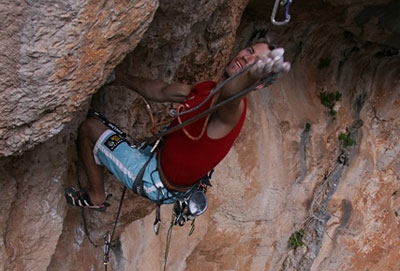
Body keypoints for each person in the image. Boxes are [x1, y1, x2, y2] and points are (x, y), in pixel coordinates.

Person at [65, 39, 290, 213]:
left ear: (258, 85)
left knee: (90, 129)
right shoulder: (205, 89)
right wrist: (119, 77)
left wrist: (251, 75)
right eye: (249, 51)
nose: (247, 58)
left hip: (157, 181)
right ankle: (106, 156)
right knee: (108, 129)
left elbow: (231, 94)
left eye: (256, 61)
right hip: (157, 159)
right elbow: (161, 91)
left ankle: (96, 196)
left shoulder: (232, 111)